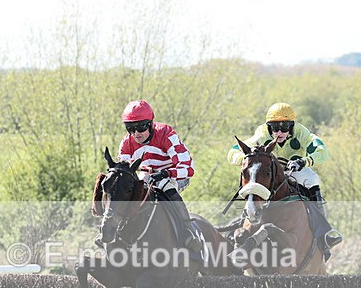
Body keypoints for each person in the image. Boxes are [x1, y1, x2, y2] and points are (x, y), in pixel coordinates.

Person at [227, 102, 342, 254]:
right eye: (275, 128)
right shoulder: (261, 133)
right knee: (253, 179)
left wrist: (304, 161)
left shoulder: (302, 132)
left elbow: (322, 151)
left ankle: (324, 231)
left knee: (311, 178)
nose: (279, 132)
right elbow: (232, 153)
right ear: (269, 128)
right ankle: (243, 221)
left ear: (292, 127)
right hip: (269, 173)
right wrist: (248, 159)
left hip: (293, 170)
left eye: (285, 127)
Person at [115, 100, 201, 252]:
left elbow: (188, 168)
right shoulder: (126, 143)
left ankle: (188, 232)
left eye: (140, 127)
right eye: (130, 129)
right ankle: (113, 230)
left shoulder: (166, 134)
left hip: (175, 174)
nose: (136, 134)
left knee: (165, 186)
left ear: (150, 124)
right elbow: (125, 174)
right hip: (147, 175)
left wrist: (166, 173)